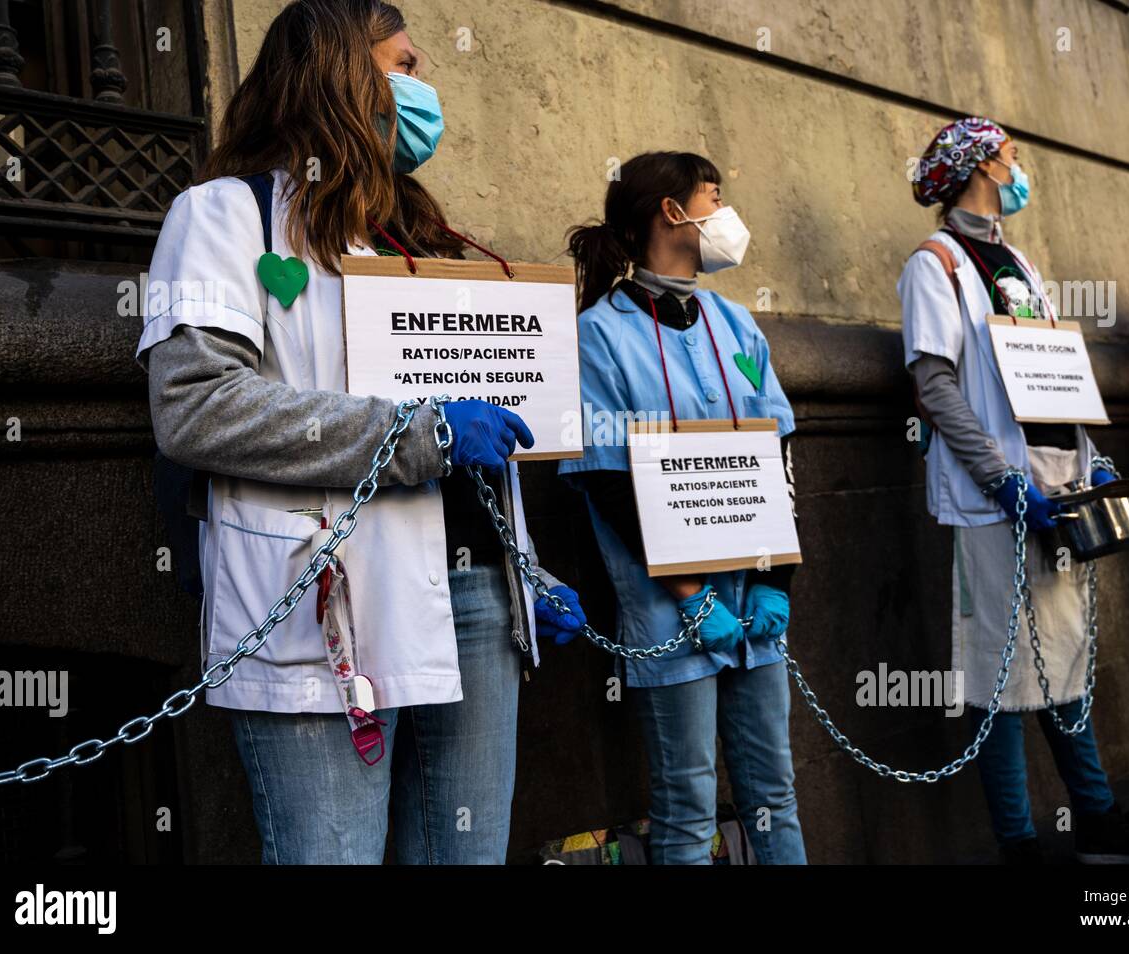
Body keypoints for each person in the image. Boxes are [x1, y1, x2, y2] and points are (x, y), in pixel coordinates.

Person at [134, 0, 585, 864]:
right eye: (404, 66)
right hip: (323, 604)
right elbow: (194, 403)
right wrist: (415, 435)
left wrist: (525, 568)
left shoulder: (412, 237)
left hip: (477, 601)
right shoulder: (225, 217)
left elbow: (471, 432)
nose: (422, 88)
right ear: (342, 76)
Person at [898, 117, 1129, 865]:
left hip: (1058, 488)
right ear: (981, 165)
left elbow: (1054, 377)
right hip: (992, 499)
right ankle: (1017, 841)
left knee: (1065, 657)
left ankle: (1096, 816)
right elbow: (933, 385)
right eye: (1008, 154)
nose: (1018, 164)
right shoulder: (933, 264)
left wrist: (1091, 459)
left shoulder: (1020, 262)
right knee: (995, 674)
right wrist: (999, 478)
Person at [556, 151, 806, 864]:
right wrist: (691, 595)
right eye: (713, 196)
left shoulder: (735, 324)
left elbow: (778, 448)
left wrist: (774, 580)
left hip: (755, 602)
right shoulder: (598, 334)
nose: (725, 214)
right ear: (673, 212)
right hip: (668, 611)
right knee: (688, 806)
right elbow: (605, 481)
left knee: (775, 794)